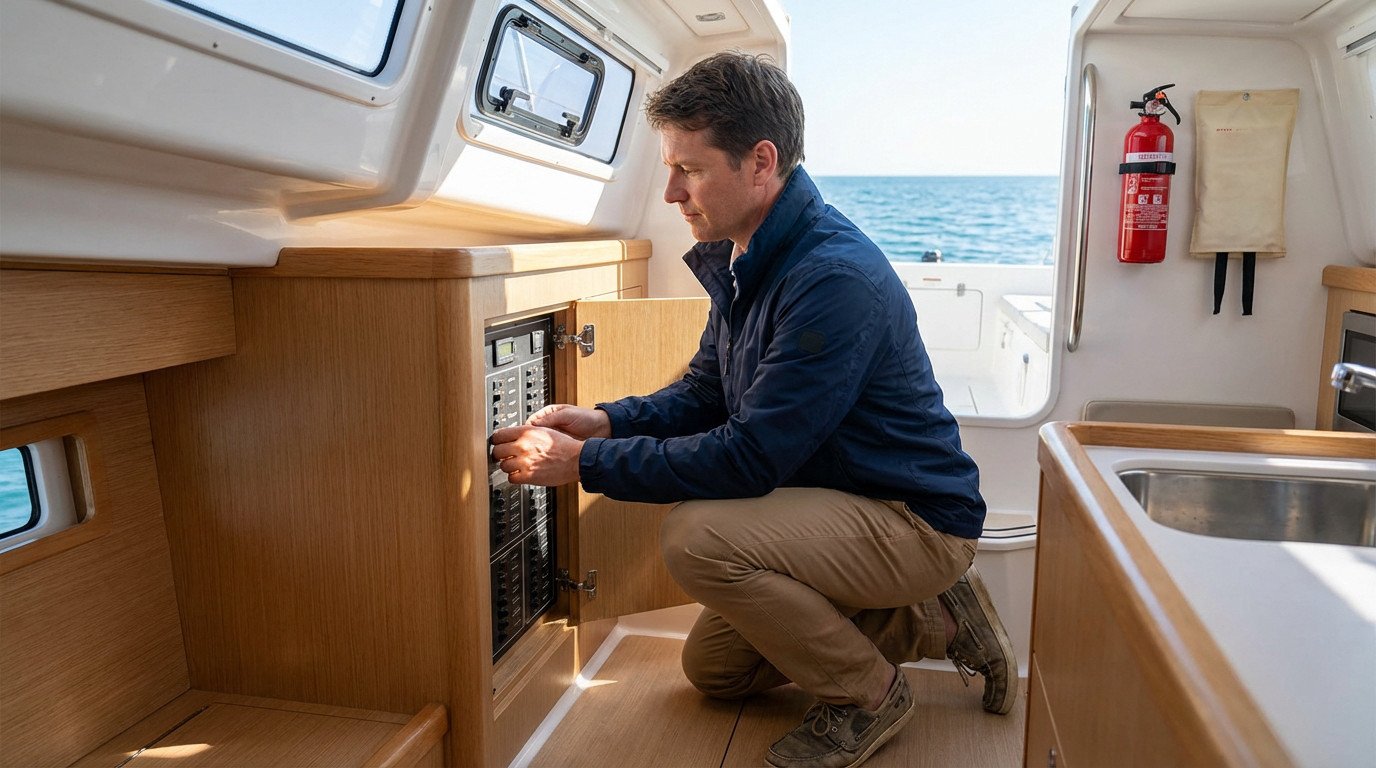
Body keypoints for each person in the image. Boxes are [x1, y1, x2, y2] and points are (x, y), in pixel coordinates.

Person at [489, 51, 1015, 768]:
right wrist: (606, 421)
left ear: (761, 162)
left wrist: (587, 464)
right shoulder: (748, 257)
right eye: (670, 168)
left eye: (691, 168)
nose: (672, 191)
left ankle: (870, 696)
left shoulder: (831, 277)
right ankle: (941, 619)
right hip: (837, 502)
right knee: (716, 673)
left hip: (911, 519)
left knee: (697, 537)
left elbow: (751, 456)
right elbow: (706, 390)